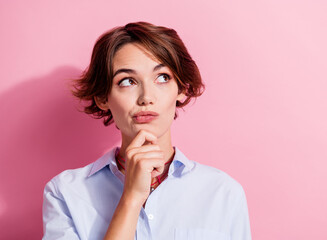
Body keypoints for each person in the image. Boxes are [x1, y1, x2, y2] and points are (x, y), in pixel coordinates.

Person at [42, 21, 251, 240]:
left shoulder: (223, 192)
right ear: (103, 98)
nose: (146, 98)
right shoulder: (66, 193)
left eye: (162, 78)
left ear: (181, 89)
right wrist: (131, 198)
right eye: (127, 81)